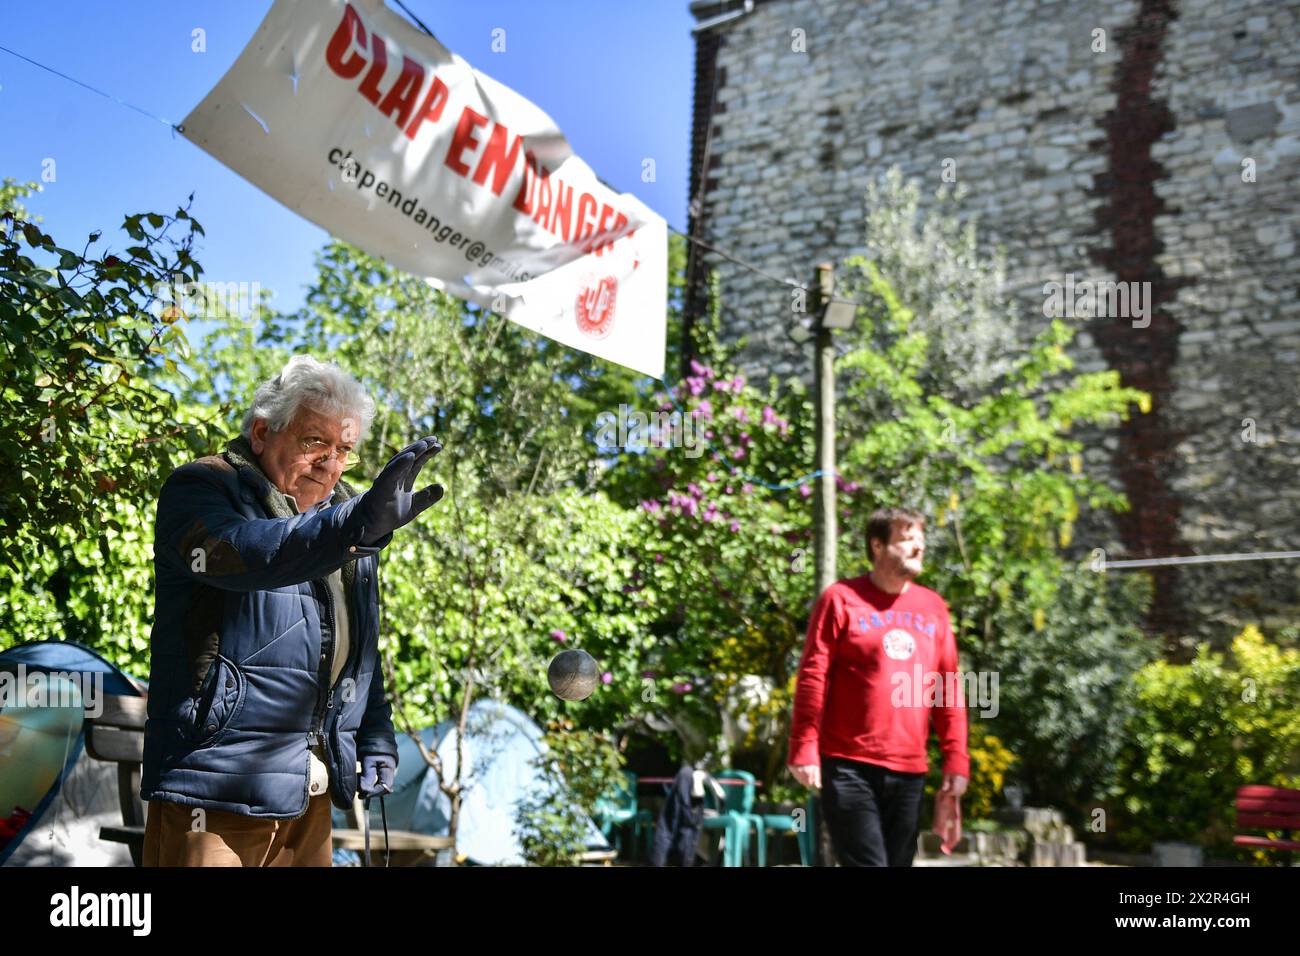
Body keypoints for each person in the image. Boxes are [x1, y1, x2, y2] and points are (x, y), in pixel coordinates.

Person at [140, 355, 444, 866]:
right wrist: (354, 527)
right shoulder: (203, 488)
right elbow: (249, 551)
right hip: (214, 788)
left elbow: (357, 647)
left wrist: (374, 736)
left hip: (312, 790)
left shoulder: (347, 517)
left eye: (344, 448)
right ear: (262, 432)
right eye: (313, 443)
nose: (330, 463)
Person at [787, 506, 969, 866]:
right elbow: (813, 674)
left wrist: (956, 759)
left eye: (921, 538)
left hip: (910, 770)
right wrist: (803, 745)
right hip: (848, 765)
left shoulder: (933, 607)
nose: (919, 547)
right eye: (907, 539)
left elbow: (947, 686)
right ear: (878, 546)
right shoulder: (840, 599)